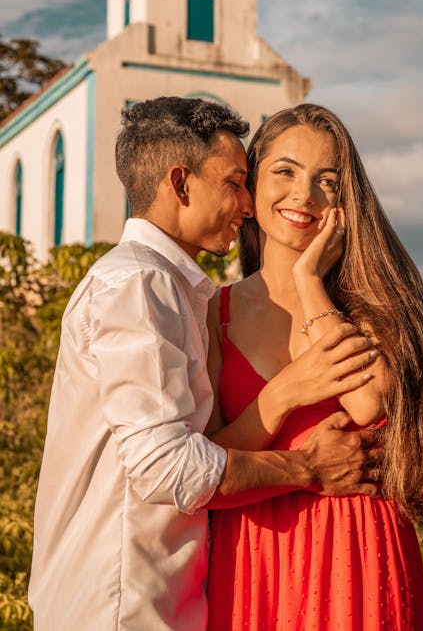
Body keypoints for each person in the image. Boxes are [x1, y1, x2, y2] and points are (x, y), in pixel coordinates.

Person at [29, 97, 382, 631]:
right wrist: (309, 468)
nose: (247, 202)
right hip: (121, 604)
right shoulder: (138, 284)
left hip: (163, 599)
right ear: (181, 183)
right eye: (235, 182)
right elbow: (166, 466)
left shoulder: (174, 290)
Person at [206, 103, 423, 630]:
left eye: (327, 180)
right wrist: (287, 392)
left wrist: (309, 280)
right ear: (251, 185)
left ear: (345, 202)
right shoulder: (214, 311)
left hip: (355, 552)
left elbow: (366, 401)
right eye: (285, 172)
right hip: (254, 555)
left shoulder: (371, 299)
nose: (305, 195)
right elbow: (208, 460)